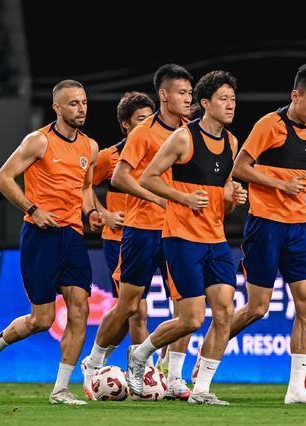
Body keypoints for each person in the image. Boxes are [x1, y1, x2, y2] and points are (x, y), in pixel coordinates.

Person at [0, 79, 103, 405]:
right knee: (42, 320)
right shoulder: (39, 141)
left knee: (80, 309)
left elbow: (85, 187)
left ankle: (60, 390)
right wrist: (32, 209)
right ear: (57, 107)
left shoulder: (90, 147)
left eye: (84, 102)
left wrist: (91, 212)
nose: (81, 109)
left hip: (72, 236)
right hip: (40, 236)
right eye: (73, 103)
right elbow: (3, 178)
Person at [128, 70, 247, 405]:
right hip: (181, 237)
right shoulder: (183, 138)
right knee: (191, 319)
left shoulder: (231, 142)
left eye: (233, 99)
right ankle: (141, 354)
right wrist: (183, 198)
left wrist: (232, 197)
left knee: (224, 312)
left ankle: (202, 389)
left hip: (216, 238)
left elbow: (221, 195)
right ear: (205, 103)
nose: (230, 105)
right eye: (223, 99)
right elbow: (149, 178)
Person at [80, 65, 194, 401]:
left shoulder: (191, 133)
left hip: (180, 230)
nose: (188, 99)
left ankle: (173, 376)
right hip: (142, 229)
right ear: (165, 94)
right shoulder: (143, 133)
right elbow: (117, 178)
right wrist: (101, 212)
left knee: (185, 306)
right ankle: (94, 361)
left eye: (190, 93)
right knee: (130, 306)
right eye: (182, 93)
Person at [228, 64, 306, 404]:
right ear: (295, 96)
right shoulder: (269, 125)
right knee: (257, 308)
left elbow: (298, 174)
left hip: (299, 226)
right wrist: (280, 185)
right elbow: (240, 168)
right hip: (265, 225)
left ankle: (297, 388)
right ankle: (208, 354)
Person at [91, 91, 155, 363]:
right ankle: (143, 370)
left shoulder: (160, 153)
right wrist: (101, 213)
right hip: (120, 240)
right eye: (141, 119)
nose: (148, 124)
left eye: (151, 118)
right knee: (136, 311)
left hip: (155, 236)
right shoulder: (110, 157)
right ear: (125, 124)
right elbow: (81, 185)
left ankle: (99, 363)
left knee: (135, 310)